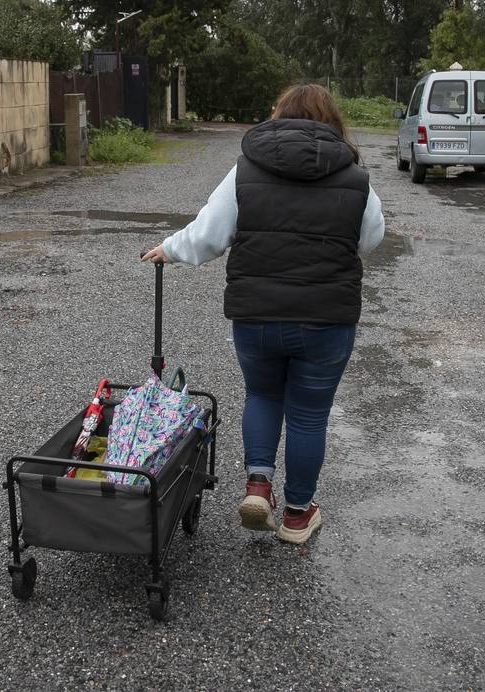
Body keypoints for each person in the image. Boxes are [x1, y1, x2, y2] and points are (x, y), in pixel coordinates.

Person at [142, 84, 384, 544]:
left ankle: (258, 486)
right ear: (332, 122)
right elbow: (368, 239)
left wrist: (168, 250)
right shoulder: (357, 178)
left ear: (278, 116)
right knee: (310, 416)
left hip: (257, 318)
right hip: (326, 320)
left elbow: (209, 233)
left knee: (263, 395)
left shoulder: (245, 169)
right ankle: (297, 515)